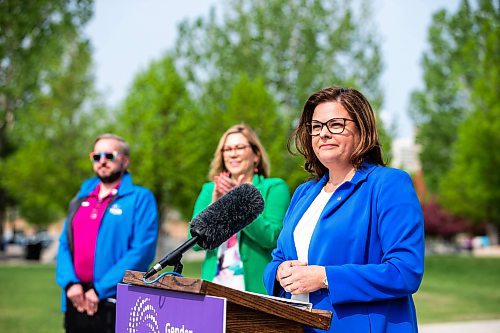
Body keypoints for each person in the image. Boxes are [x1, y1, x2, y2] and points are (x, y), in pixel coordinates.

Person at [263, 87, 424, 333]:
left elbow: (404, 271)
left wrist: (325, 277)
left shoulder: (387, 184)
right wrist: (278, 273)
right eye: (316, 127)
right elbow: (278, 258)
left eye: (335, 124)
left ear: (362, 130)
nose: (323, 133)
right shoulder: (304, 194)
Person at [56, 134, 159, 333]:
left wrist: (100, 290)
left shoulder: (141, 198)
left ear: (125, 160)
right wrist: (70, 284)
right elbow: (64, 243)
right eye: (97, 156)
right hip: (75, 298)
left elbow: (142, 251)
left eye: (109, 155)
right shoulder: (81, 196)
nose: (102, 161)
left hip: (113, 300)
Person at [191, 124, 290, 294]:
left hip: (255, 291)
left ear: (256, 155)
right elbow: (194, 243)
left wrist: (238, 203)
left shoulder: (274, 187)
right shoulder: (209, 190)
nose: (233, 153)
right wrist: (214, 207)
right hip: (214, 286)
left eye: (239, 147)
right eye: (227, 149)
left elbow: (272, 239)